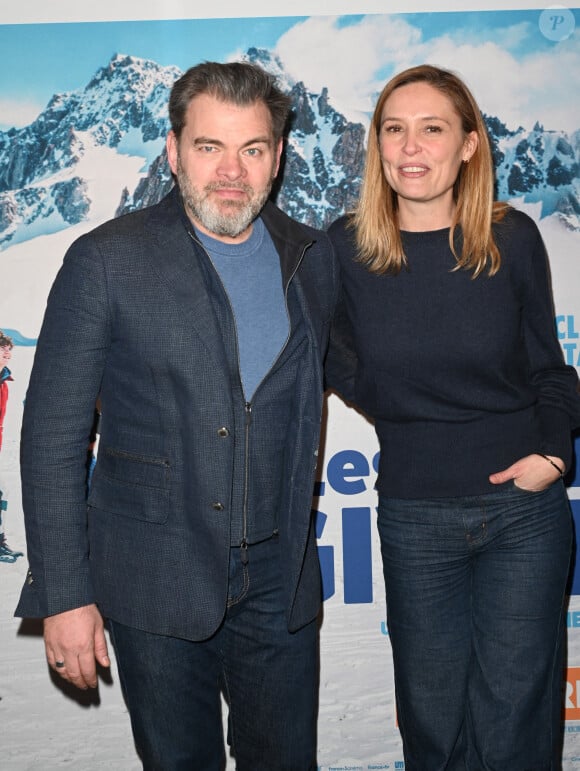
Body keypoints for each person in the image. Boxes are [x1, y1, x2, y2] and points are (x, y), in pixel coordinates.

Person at [16, 61, 338, 770]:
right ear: (172, 150)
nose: (232, 171)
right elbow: (53, 438)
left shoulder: (313, 259)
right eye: (208, 147)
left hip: (280, 585)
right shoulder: (105, 260)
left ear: (278, 157)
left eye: (252, 149)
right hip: (153, 584)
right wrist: (65, 596)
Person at [326, 64, 580, 770]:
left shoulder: (513, 239)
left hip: (523, 514)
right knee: (433, 725)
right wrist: (402, 413)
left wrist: (555, 456)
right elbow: (328, 355)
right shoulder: (344, 249)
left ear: (469, 144)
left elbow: (552, 371)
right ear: (376, 145)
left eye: (432, 129)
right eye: (394, 130)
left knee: (516, 727)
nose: (411, 148)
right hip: (415, 515)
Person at [0, 330, 23, 562]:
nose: (7, 352)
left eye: (9, 348)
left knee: (2, 491)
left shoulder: (4, 380)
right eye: (2, 348)